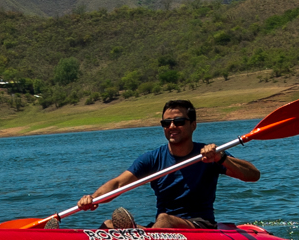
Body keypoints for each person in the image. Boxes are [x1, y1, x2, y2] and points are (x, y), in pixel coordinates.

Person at [76, 98, 259, 230]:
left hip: (200, 225)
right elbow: (118, 184)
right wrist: (93, 198)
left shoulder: (209, 154)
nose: (172, 126)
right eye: (166, 122)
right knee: (109, 225)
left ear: (193, 125)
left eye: (179, 121)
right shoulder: (152, 159)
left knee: (165, 219)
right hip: (162, 229)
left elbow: (252, 175)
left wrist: (221, 158)